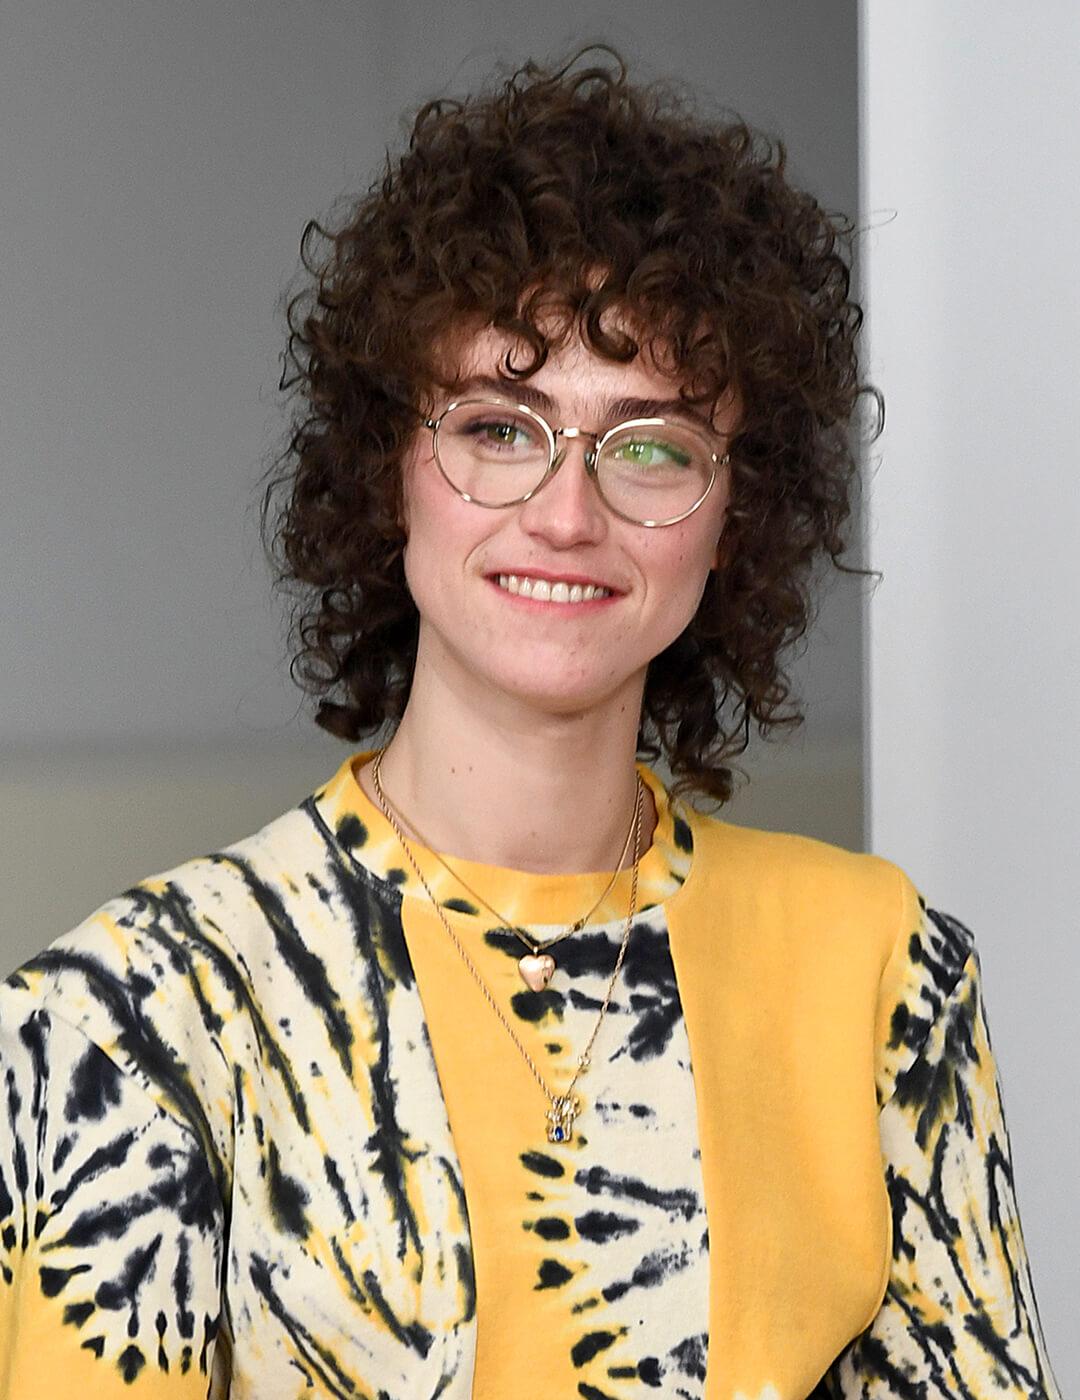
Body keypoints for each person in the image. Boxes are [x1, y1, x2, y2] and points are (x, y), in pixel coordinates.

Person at [0, 47, 1061, 1400]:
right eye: (500, 427)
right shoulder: (129, 1016)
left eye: (653, 445)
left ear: (740, 514)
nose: (568, 514)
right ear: (391, 471)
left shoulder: (882, 973)